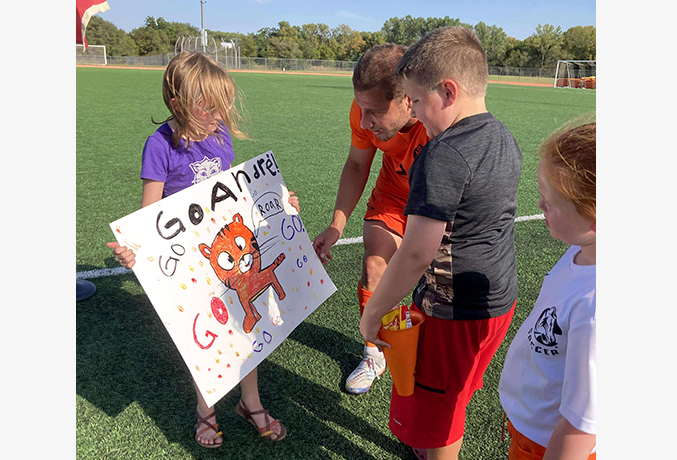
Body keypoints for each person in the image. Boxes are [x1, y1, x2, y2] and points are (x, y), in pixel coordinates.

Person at [105, 51, 299, 449]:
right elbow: (149, 215)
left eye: (222, 105)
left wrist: (275, 201)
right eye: (208, 106)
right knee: (203, 339)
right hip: (192, 261)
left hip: (230, 251)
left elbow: (234, 190)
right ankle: (205, 411)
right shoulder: (159, 146)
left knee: (250, 323)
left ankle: (251, 402)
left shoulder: (221, 134)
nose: (218, 114)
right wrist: (132, 249)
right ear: (177, 103)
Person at [359, 27, 521, 460]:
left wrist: (373, 312)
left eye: (413, 99)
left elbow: (415, 252)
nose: (411, 110)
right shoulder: (502, 136)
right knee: (454, 396)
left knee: (438, 413)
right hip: (496, 302)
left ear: (448, 91)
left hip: (453, 312)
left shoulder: (441, 153)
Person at [312, 43, 430, 395]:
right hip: (393, 194)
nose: (364, 122)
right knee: (374, 263)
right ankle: (374, 353)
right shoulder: (364, 111)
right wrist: (337, 224)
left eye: (374, 111)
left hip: (438, 205)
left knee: (436, 283)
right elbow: (357, 163)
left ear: (408, 99)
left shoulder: (439, 121)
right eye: (361, 109)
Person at [498, 120, 596, 460]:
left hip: (545, 446)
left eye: (549, 201)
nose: (539, 206)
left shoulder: (596, 307)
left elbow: (581, 427)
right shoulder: (580, 252)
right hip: (531, 431)